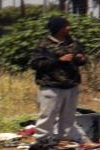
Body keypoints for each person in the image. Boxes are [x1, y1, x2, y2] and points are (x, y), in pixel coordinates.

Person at [29, 15, 87, 143]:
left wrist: (80, 59)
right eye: (65, 26)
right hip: (51, 85)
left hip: (71, 84)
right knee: (47, 115)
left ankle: (66, 139)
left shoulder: (73, 42)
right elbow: (35, 64)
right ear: (58, 28)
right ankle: (43, 141)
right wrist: (58, 61)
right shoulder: (44, 45)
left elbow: (82, 59)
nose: (68, 28)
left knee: (68, 116)